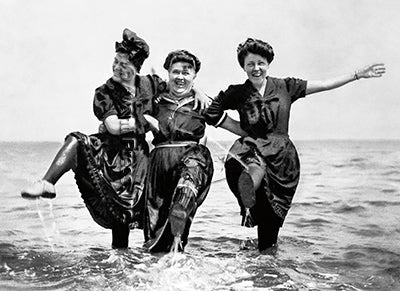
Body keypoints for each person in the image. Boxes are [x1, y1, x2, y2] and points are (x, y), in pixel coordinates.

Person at [20, 29, 209, 249]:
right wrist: (146, 122)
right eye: (116, 62)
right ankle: (48, 183)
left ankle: (126, 266)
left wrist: (199, 92)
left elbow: (178, 85)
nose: (117, 68)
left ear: (136, 68)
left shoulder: (150, 83)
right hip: (111, 155)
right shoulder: (105, 91)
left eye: (124, 64)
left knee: (126, 217)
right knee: (76, 140)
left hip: (139, 161)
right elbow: (112, 126)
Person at [204, 38, 386, 252]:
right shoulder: (237, 92)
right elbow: (212, 112)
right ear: (243, 66)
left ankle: (266, 264)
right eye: (250, 64)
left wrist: (356, 75)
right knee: (250, 167)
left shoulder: (286, 86)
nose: (256, 68)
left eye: (260, 63)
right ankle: (249, 184)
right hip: (251, 149)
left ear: (268, 64)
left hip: (281, 157)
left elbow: (325, 84)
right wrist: (243, 131)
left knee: (271, 223)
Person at [143, 50, 225, 253]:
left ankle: (184, 200)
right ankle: (162, 273)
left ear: (194, 76)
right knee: (155, 231)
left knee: (182, 204)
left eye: (186, 72)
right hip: (159, 167)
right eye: (175, 72)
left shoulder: (204, 103)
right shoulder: (155, 101)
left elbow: (234, 126)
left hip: (190, 161)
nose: (180, 77)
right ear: (168, 73)